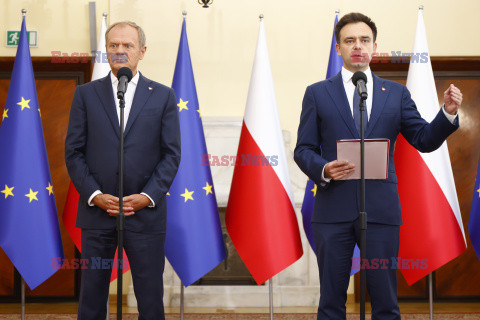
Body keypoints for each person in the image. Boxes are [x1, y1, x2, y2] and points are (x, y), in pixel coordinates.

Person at [294, 12, 462, 320]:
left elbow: (424, 138)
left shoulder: (395, 93)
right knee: (331, 301)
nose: (357, 46)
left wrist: (447, 114)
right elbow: (302, 149)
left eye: (364, 40)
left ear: (373, 46)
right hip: (332, 210)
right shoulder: (317, 93)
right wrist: (324, 168)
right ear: (338, 48)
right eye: (349, 40)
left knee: (385, 301)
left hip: (381, 211)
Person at [65, 21, 181, 320]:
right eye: (114, 45)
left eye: (127, 45)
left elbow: (171, 154)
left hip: (144, 213)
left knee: (150, 295)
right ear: (107, 50)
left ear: (141, 51)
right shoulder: (86, 95)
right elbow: (74, 153)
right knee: (92, 294)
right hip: (97, 213)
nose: (120, 51)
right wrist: (95, 195)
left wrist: (147, 196)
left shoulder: (163, 96)